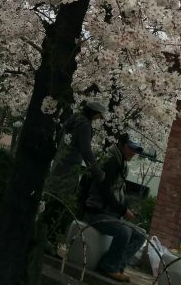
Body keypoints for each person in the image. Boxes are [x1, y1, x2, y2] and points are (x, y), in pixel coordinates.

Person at [43, 98, 108, 249]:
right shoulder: (84, 124)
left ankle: (43, 234)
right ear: (95, 113)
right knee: (59, 204)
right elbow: (86, 150)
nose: (100, 118)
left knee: (51, 200)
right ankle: (47, 239)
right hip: (69, 168)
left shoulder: (73, 119)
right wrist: (97, 171)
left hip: (59, 163)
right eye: (99, 115)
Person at [82, 132, 145, 282]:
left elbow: (117, 193)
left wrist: (125, 208)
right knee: (124, 232)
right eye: (131, 148)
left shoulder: (121, 163)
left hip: (109, 214)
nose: (133, 153)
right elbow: (105, 191)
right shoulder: (111, 161)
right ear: (121, 145)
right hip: (96, 213)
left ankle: (116, 266)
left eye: (135, 150)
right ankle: (109, 266)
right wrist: (123, 210)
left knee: (141, 234)